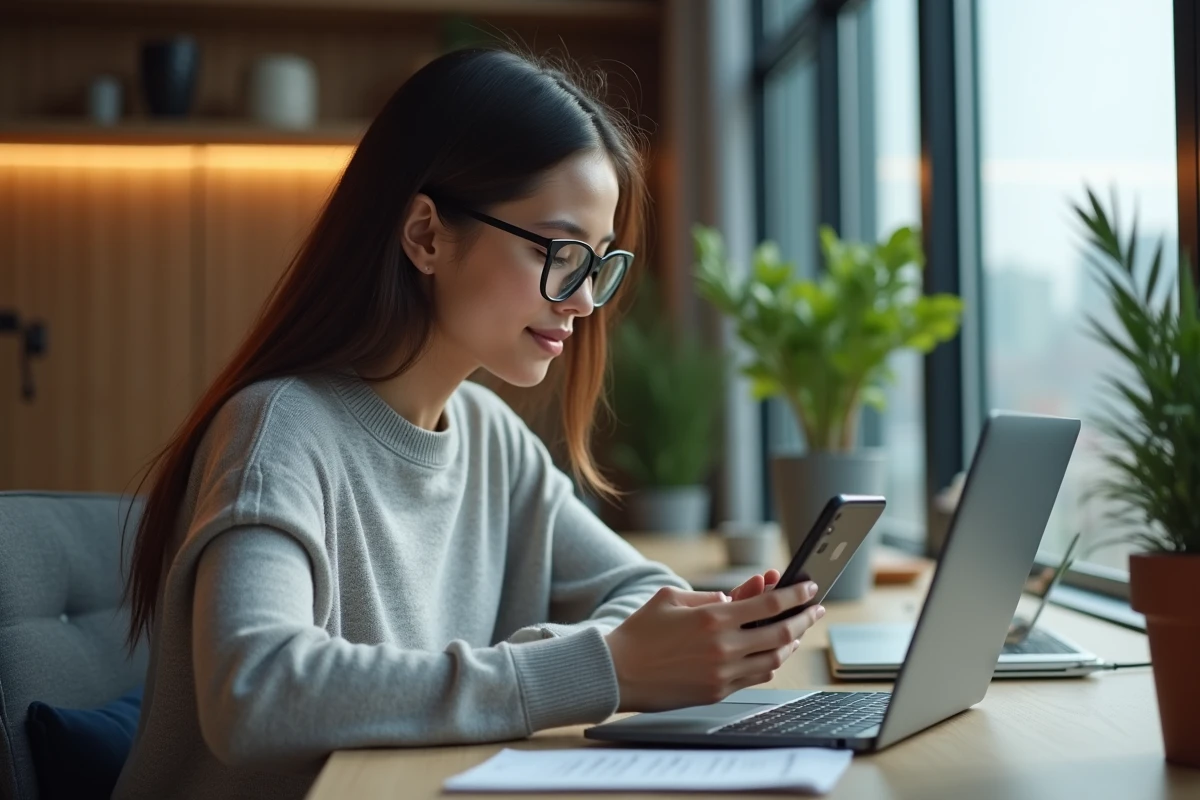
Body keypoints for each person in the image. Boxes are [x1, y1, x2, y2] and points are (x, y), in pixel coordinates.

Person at [114, 47, 826, 800]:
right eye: (560, 252)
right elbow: (254, 693)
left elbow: (642, 586)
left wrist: (576, 663)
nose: (583, 301)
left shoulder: (491, 438)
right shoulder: (278, 432)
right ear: (425, 235)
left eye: (599, 264)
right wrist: (594, 669)